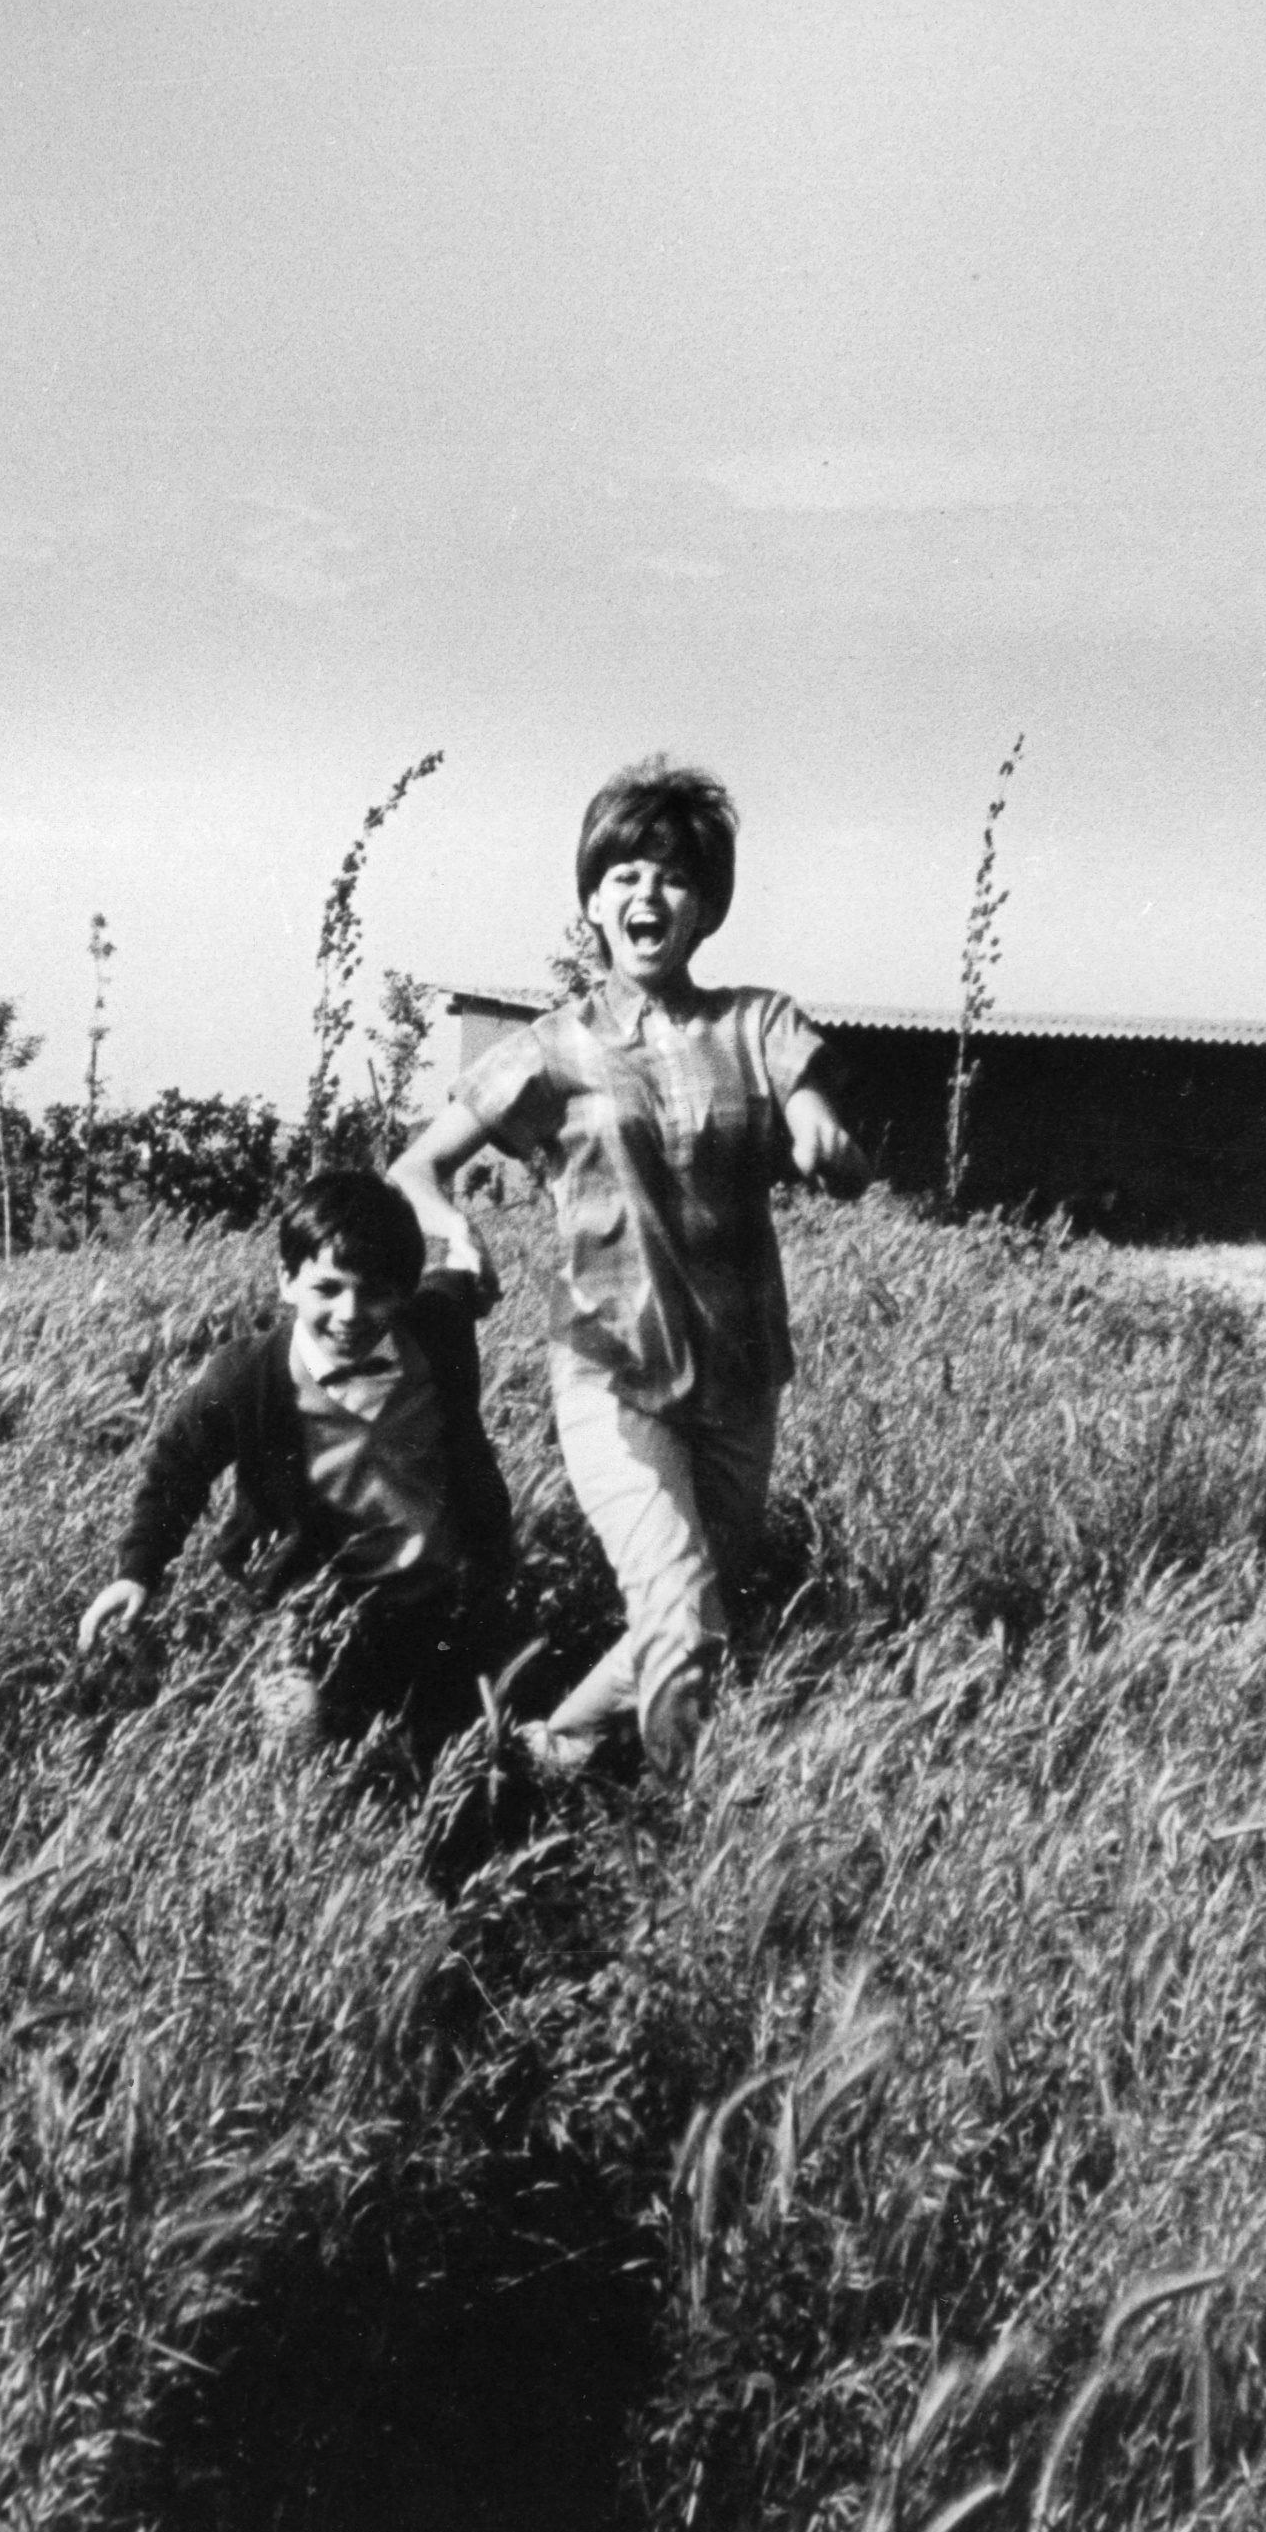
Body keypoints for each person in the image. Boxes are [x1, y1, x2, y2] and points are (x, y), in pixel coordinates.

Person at [390, 756, 868, 1787]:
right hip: (609, 1373)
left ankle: (544, 1752)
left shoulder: (759, 1023)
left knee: (692, 1608)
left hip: (739, 1377)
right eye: (624, 876)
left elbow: (826, 1133)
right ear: (593, 901)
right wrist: (453, 1233)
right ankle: (680, 1831)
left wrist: (829, 1148)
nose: (647, 895)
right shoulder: (547, 1049)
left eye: (674, 877)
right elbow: (415, 1168)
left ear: (706, 907)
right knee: (685, 1620)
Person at [79, 1167, 514, 1761]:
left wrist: (468, 1250)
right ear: (286, 1281)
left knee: (468, 1752)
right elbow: (177, 1468)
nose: (351, 1312)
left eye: (378, 1290)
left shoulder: (435, 1331)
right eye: (328, 1288)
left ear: (406, 1290)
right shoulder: (244, 1379)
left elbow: (456, 1282)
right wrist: (138, 1571)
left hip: (434, 1598)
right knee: (299, 1740)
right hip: (302, 1608)